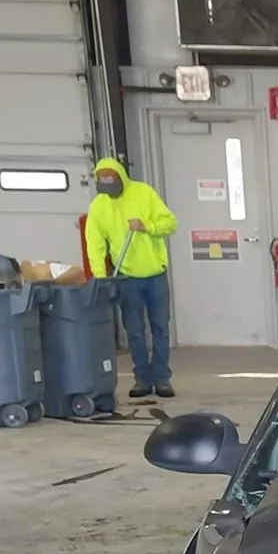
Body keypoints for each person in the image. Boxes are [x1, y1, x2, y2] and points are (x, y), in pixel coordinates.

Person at [86, 157, 179, 399]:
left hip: (155, 274)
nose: (109, 189)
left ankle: (162, 379)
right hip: (126, 277)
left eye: (112, 182)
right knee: (135, 331)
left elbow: (170, 223)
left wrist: (146, 225)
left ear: (120, 177)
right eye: (103, 184)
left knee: (160, 328)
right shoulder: (99, 206)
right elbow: (95, 243)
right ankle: (142, 379)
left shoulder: (144, 193)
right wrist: (101, 277)